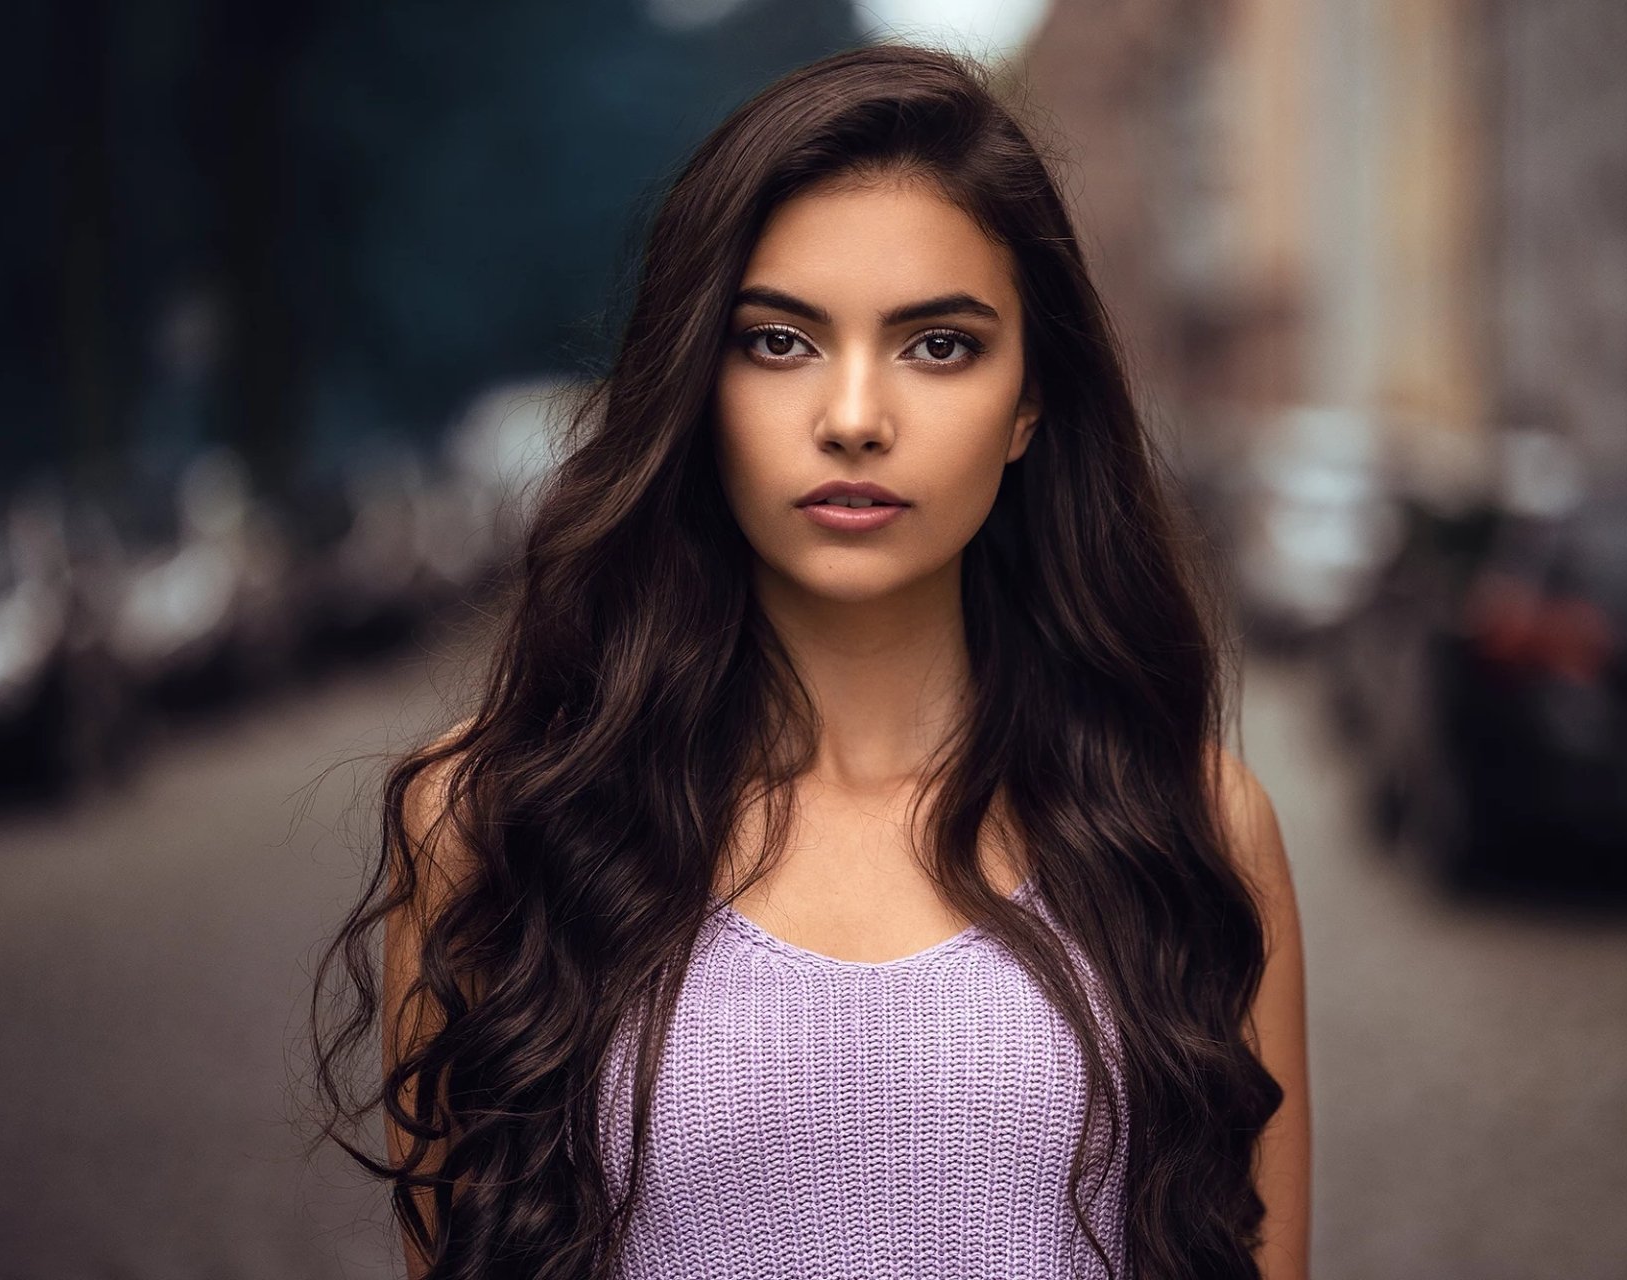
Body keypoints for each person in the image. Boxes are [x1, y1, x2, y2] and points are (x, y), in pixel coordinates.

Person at [311, 43, 1309, 1280]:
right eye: (779, 341)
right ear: (695, 381)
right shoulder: (493, 823)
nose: (852, 415)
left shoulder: (1190, 826)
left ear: (1029, 405)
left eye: (937, 345)